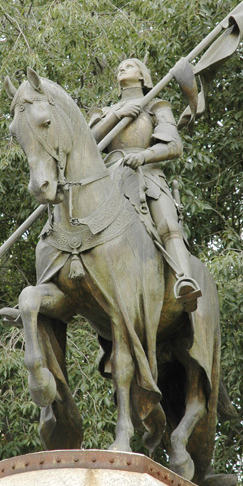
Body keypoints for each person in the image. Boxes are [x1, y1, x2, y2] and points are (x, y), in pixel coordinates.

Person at [89, 58, 201, 312]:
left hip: (146, 175)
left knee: (168, 223)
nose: (121, 68)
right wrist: (116, 115)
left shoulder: (156, 106)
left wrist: (143, 156)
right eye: (119, 66)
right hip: (106, 180)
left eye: (129, 66)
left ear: (143, 76)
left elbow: (174, 146)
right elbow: (86, 145)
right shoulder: (103, 112)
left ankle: (184, 279)